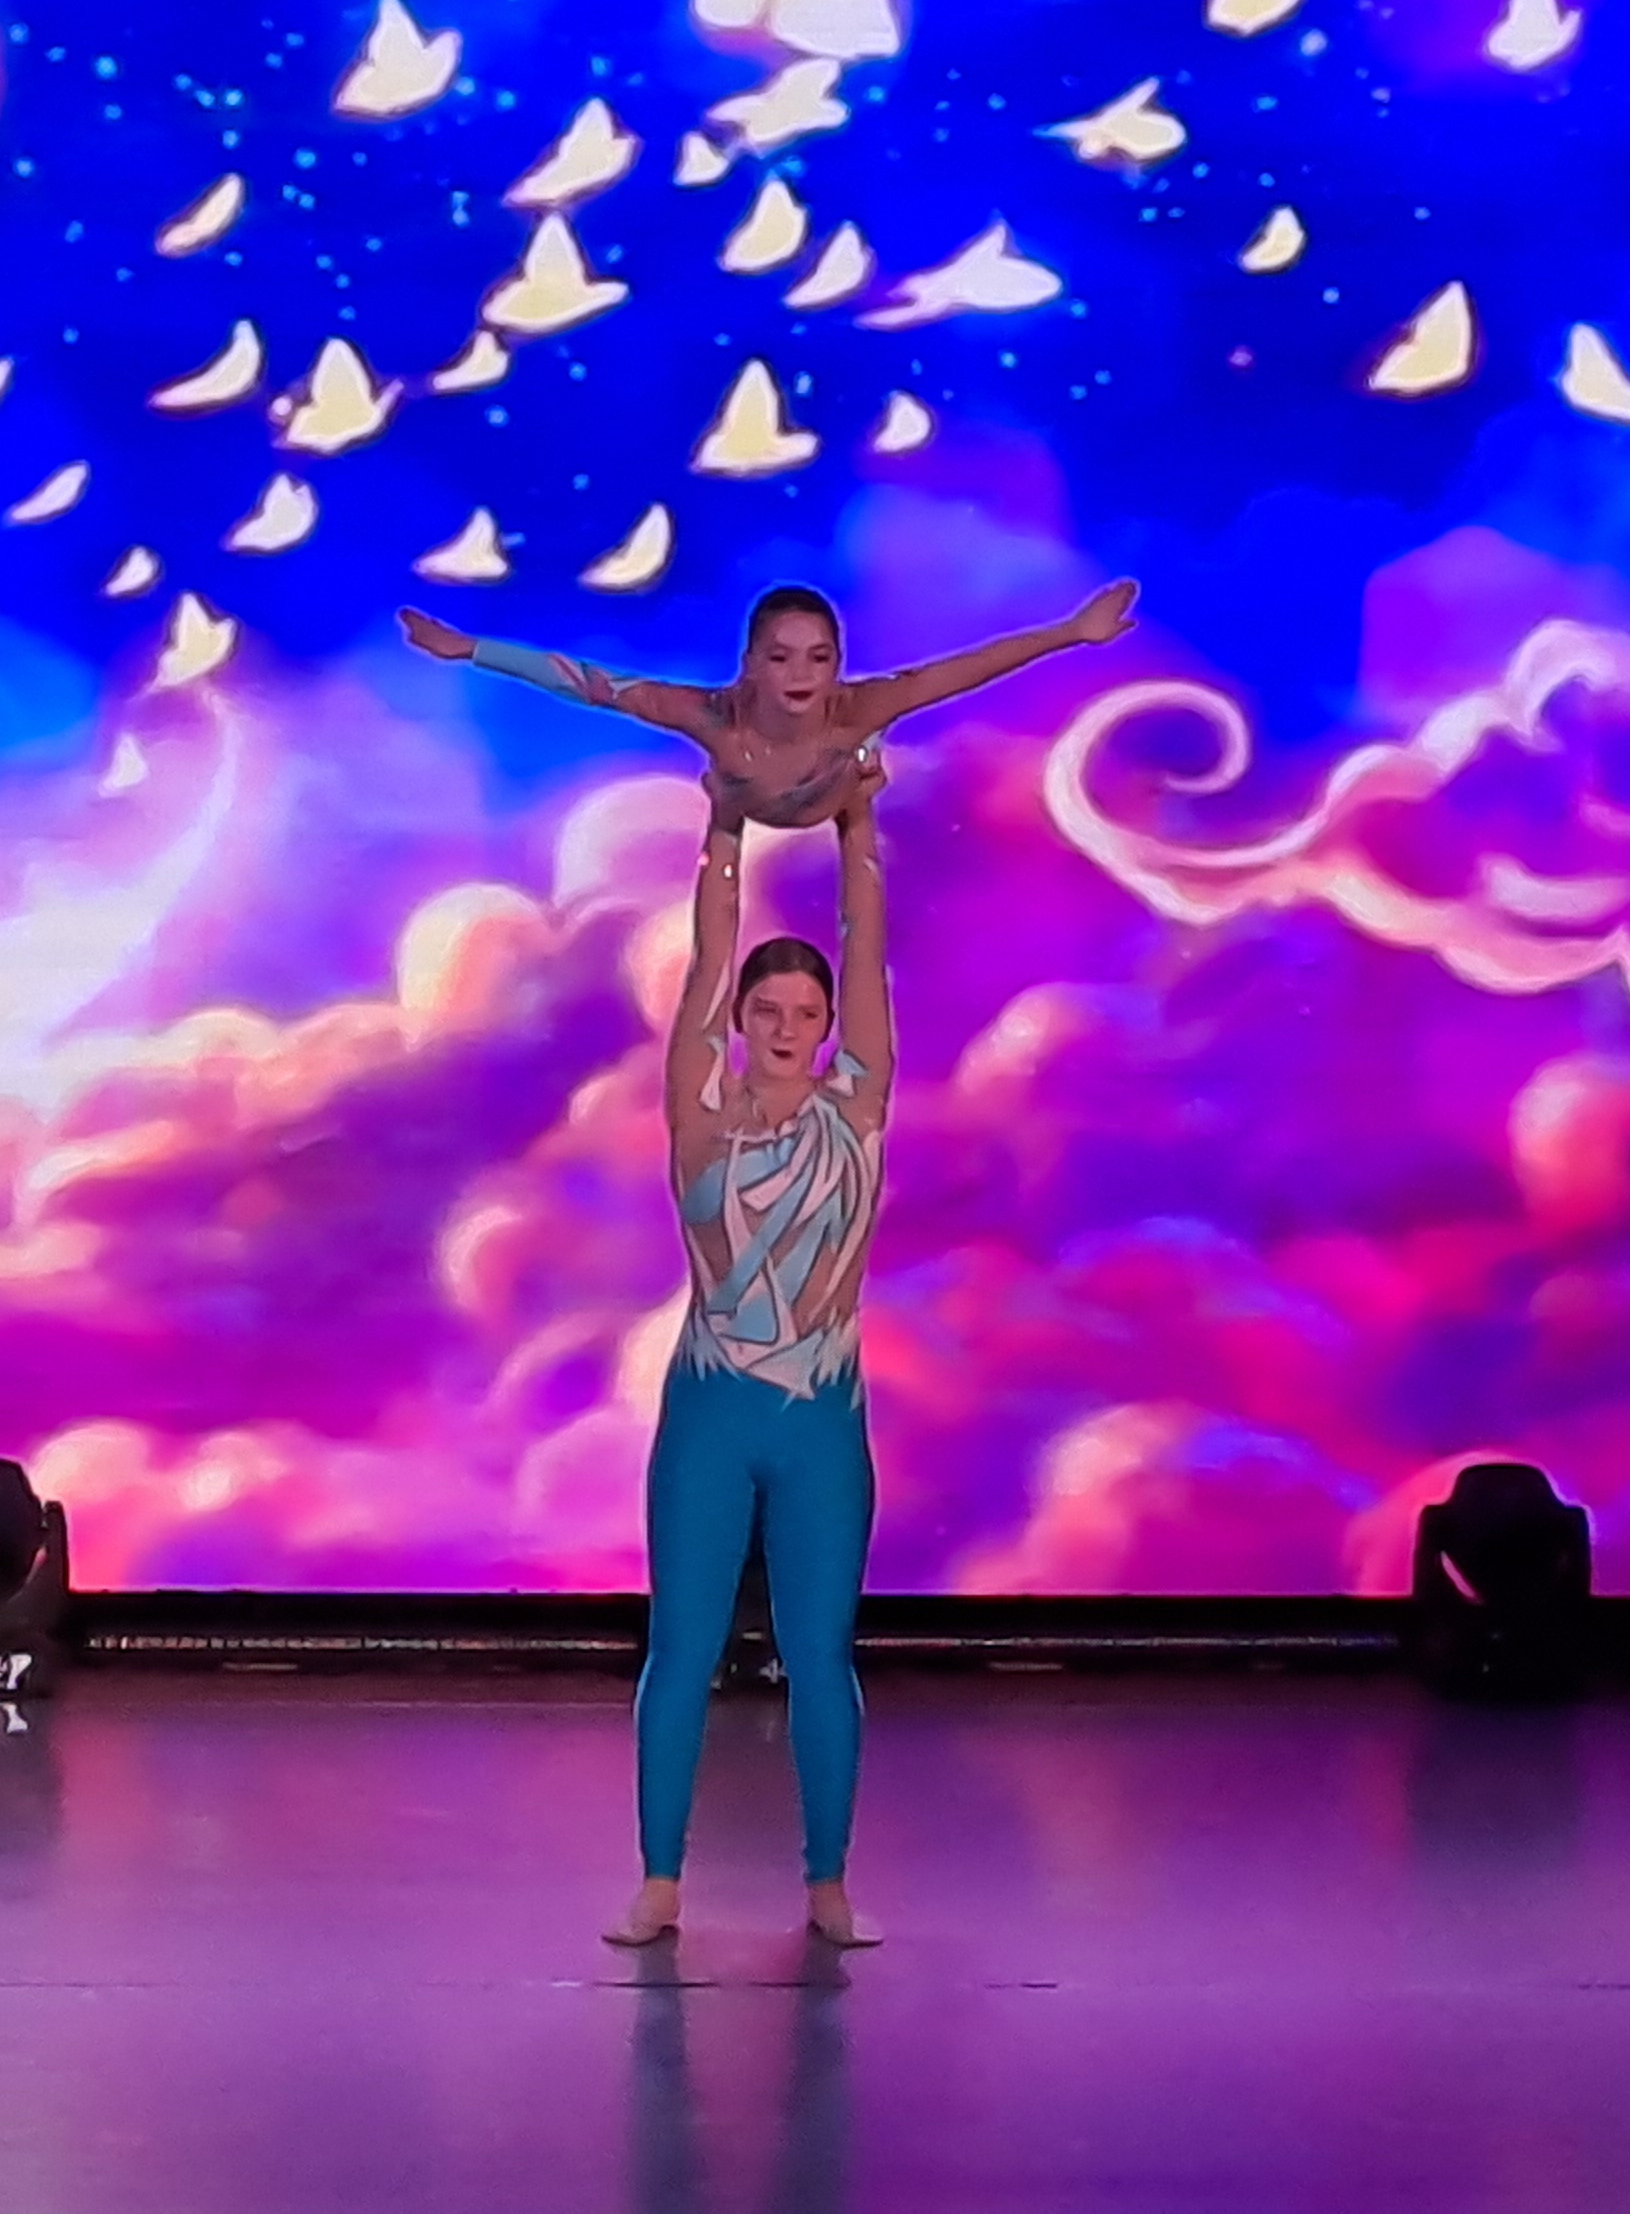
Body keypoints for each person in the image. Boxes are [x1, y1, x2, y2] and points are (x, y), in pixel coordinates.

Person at [609, 752, 895, 1951]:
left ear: (829, 1031)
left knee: (819, 1655)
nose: (784, 1029)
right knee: (681, 1650)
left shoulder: (857, 1109)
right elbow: (704, 960)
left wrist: (855, 828)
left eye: (805, 1016)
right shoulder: (701, 1118)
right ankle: (658, 1883)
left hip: (821, 1426)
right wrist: (723, 833)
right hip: (709, 1420)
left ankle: (826, 1885)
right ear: (738, 1024)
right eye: (764, 1013)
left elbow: (864, 950)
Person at [397, 578, 1138, 827]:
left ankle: (865, 782)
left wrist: (1071, 632)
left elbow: (963, 671)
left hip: (840, 800)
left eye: (818, 658)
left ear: (837, 666)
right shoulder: (709, 715)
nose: (800, 674)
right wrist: (472, 650)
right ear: (751, 666)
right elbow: (585, 681)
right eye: (781, 657)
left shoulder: (859, 707)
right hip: (745, 811)